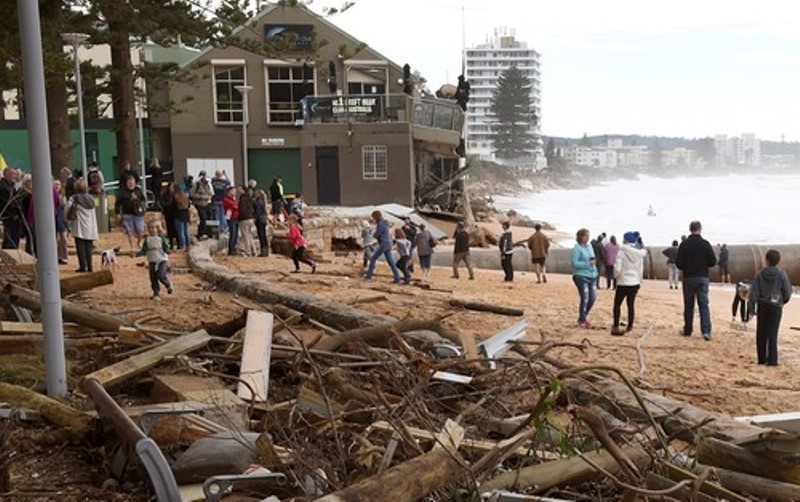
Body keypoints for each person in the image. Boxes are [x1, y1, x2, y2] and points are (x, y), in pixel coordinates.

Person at [748, 249, 792, 366]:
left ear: (766, 260)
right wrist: (783, 301)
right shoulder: (781, 274)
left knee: (761, 332)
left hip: (763, 305)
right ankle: (772, 359)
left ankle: (761, 358)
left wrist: (751, 308)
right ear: (778, 261)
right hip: (776, 306)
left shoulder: (759, 274)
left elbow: (754, 293)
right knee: (773, 333)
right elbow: (787, 291)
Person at [675, 220, 717, 340]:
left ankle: (688, 330)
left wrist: (687, 266)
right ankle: (706, 331)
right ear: (700, 229)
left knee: (689, 305)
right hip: (702, 277)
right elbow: (713, 261)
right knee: (703, 305)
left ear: (690, 229)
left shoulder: (684, 244)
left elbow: (678, 263)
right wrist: (704, 265)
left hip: (688, 277)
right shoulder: (705, 244)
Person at [611, 231, 647, 334]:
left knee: (617, 304)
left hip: (623, 282)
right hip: (634, 282)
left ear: (625, 240)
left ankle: (616, 325)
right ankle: (630, 325)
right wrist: (639, 280)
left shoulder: (621, 251)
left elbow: (617, 268)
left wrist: (616, 276)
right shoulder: (639, 253)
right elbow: (640, 269)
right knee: (630, 304)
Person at [66, 179, 98, 272]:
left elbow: (67, 210)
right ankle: (90, 266)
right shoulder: (91, 199)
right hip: (90, 225)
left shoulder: (74, 198)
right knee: (89, 247)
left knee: (80, 247)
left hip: (79, 224)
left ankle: (82, 266)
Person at [136, 222, 174, 301]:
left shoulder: (161, 238)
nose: (152, 230)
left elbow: (165, 247)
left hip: (161, 260)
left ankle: (167, 284)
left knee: (160, 275)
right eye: (150, 228)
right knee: (153, 277)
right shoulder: (147, 239)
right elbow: (144, 250)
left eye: (153, 228)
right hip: (152, 260)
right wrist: (138, 254)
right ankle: (156, 293)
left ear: (157, 229)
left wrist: (168, 251)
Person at [363, 210, 400, 283]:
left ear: (375, 217)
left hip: (384, 243)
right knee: (391, 262)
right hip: (387, 243)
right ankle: (397, 278)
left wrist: (373, 234)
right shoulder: (384, 223)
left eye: (373, 217)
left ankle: (368, 276)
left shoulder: (381, 224)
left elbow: (377, 234)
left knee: (373, 259)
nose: (373, 219)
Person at [572, 228, 598, 328]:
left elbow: (593, 258)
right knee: (585, 297)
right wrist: (587, 263)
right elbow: (575, 263)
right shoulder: (577, 248)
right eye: (585, 235)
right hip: (580, 275)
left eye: (588, 235)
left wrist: (594, 264)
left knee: (593, 297)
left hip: (592, 274)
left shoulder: (590, 247)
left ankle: (584, 315)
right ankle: (582, 319)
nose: (587, 238)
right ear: (580, 237)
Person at [115, 176, 146, 250]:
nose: (131, 184)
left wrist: (142, 205)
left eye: (132, 183)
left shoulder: (138, 190)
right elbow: (118, 203)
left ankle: (139, 241)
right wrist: (118, 213)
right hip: (127, 214)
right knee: (130, 232)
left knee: (140, 230)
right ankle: (133, 247)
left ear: (135, 183)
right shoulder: (122, 192)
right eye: (129, 183)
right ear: (127, 183)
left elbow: (143, 200)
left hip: (138, 214)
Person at [0, 167, 22, 249]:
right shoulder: (2, 186)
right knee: (10, 236)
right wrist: (14, 212)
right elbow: (7, 201)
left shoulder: (13, 185)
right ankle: (9, 252)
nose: (14, 176)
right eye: (12, 174)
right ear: (6, 174)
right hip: (9, 215)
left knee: (15, 235)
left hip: (16, 215)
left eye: (15, 174)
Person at [190, 171, 214, 239]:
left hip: (207, 203)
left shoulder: (208, 185)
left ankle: (209, 232)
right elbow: (191, 194)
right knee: (203, 218)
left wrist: (209, 196)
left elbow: (211, 193)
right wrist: (201, 197)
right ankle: (201, 233)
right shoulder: (196, 185)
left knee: (209, 218)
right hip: (199, 204)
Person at [238, 183, 257, 257]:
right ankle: (254, 250)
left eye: (239, 189)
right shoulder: (249, 197)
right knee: (249, 235)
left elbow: (242, 209)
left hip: (244, 218)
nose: (238, 191)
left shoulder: (243, 198)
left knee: (245, 236)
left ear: (243, 189)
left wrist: (240, 215)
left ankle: (248, 252)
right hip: (250, 218)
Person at [53, 179, 69, 264]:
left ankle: (64, 256)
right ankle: (58, 256)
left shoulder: (63, 197)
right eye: (55, 184)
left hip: (62, 222)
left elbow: (65, 210)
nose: (56, 186)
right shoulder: (52, 196)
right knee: (57, 240)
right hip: (55, 221)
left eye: (58, 184)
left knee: (63, 240)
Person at [172, 183, 191, 251]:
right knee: (186, 231)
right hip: (186, 214)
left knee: (181, 232)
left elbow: (173, 206)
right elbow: (189, 205)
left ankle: (182, 245)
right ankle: (188, 245)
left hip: (178, 215)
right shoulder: (185, 195)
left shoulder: (175, 197)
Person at [221, 186, 239, 256]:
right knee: (233, 234)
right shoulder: (226, 199)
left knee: (236, 234)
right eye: (233, 191)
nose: (235, 192)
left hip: (236, 217)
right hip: (231, 218)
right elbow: (234, 206)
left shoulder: (234, 199)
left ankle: (234, 247)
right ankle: (231, 249)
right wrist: (235, 207)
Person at [254, 189, 270, 256]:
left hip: (259, 219)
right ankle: (266, 250)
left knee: (261, 235)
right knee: (264, 235)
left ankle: (263, 251)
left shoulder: (258, 201)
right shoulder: (264, 201)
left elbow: (258, 211)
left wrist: (255, 218)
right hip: (264, 219)